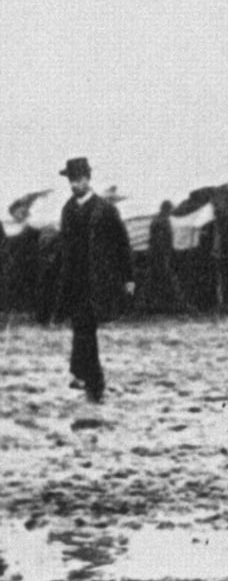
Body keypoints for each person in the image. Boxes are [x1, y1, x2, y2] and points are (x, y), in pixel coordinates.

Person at [54, 157, 135, 403]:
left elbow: (122, 243)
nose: (74, 184)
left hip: (99, 278)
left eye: (78, 179)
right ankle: (87, 376)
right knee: (82, 326)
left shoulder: (105, 210)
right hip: (74, 279)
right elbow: (64, 246)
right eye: (71, 180)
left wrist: (128, 276)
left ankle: (89, 377)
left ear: (88, 179)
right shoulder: (68, 210)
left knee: (86, 326)